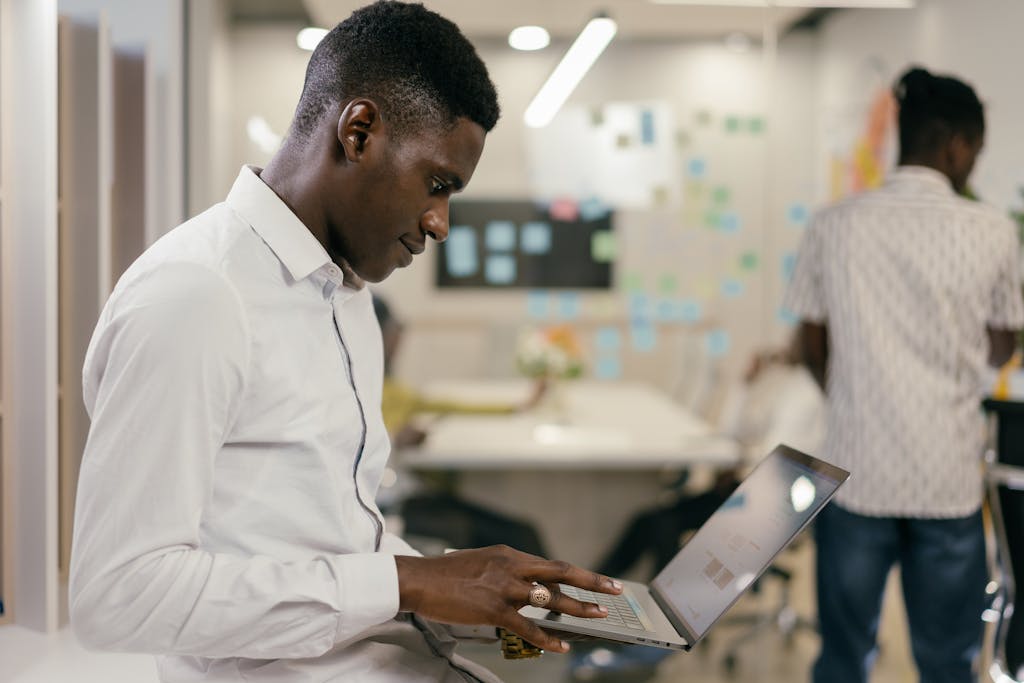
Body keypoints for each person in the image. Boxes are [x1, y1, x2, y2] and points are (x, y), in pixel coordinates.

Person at [68, 4, 622, 681]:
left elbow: (334, 538)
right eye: (438, 184)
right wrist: (407, 581)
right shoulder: (197, 294)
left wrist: (464, 593)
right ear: (359, 132)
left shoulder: (347, 296)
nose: (441, 223)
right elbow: (118, 596)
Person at [784, 66, 1024, 683]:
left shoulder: (833, 223)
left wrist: (857, 390)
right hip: (946, 484)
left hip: (856, 475)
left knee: (843, 658)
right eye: (976, 150)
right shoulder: (994, 230)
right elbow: (1003, 346)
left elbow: (811, 345)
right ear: (956, 144)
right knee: (946, 663)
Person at [371, 294, 548, 557]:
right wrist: (394, 438)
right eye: (394, 332)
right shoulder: (357, 390)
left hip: (408, 497)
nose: (399, 341)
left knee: (523, 533)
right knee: (514, 536)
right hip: (391, 506)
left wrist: (518, 406)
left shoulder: (395, 391)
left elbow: (453, 405)